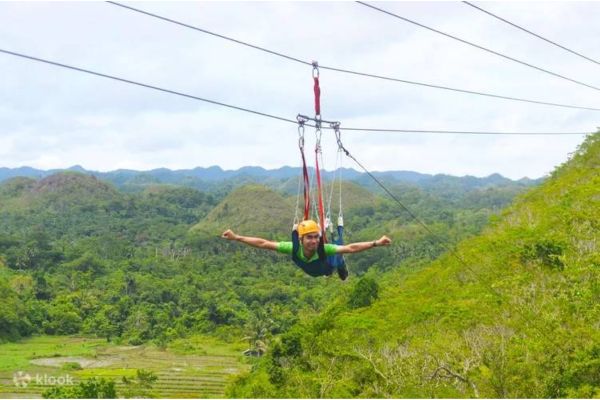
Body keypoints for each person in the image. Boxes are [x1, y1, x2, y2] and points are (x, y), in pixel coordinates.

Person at [221, 219, 391, 281]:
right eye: (309, 238)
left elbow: (351, 248)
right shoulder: (293, 247)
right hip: (312, 269)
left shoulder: (323, 248)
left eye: (316, 237)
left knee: (339, 252)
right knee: (335, 254)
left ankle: (341, 266)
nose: (314, 241)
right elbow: (264, 243)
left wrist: (376, 242)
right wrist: (237, 237)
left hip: (326, 266)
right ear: (301, 239)